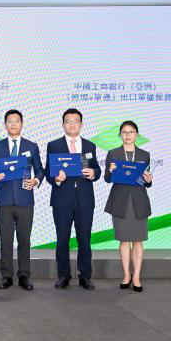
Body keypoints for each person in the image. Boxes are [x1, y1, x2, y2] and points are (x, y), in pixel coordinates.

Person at [0, 109, 44, 291]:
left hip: (25, 199)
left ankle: (24, 276)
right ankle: (6, 276)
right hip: (4, 201)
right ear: (5, 124)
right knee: (6, 239)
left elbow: (40, 170)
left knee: (25, 239)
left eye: (16, 121)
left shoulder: (31, 146)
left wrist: (36, 181)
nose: (13, 124)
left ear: (22, 123)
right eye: (9, 121)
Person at [46, 108, 101, 290]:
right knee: (62, 239)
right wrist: (56, 179)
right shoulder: (54, 145)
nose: (72, 124)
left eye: (75, 121)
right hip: (62, 200)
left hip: (85, 200)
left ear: (81, 124)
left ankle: (85, 276)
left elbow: (97, 170)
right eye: (68, 121)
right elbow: (48, 172)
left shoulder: (89, 146)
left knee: (84, 239)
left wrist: (93, 173)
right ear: (63, 124)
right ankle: (64, 275)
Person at [104, 120, 153, 292]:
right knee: (124, 240)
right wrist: (110, 171)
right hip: (120, 201)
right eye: (124, 132)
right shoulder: (113, 153)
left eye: (131, 132)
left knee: (138, 241)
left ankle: (137, 277)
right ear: (120, 135)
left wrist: (149, 180)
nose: (128, 135)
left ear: (136, 134)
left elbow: (146, 182)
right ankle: (126, 275)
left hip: (139, 202)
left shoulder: (144, 154)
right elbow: (107, 179)